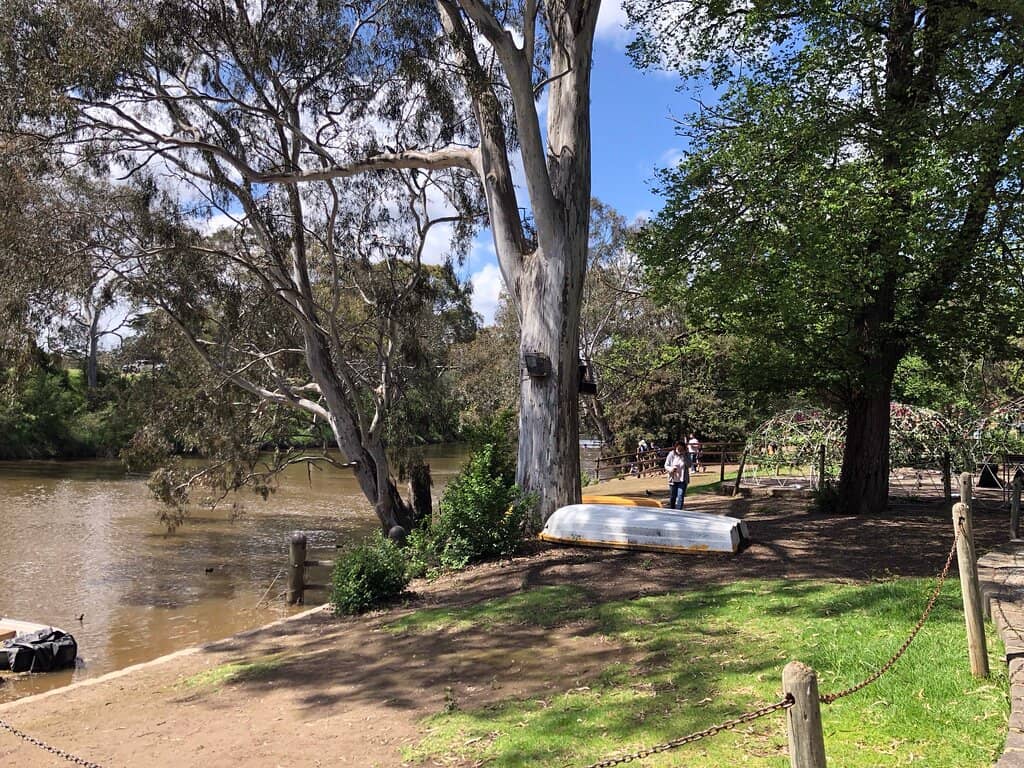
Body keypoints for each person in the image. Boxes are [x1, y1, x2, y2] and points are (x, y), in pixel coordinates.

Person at [664, 441, 691, 510]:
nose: (680, 451)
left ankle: (679, 511)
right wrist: (671, 469)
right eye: (678, 449)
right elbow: (666, 465)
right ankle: (672, 510)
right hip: (673, 479)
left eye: (681, 449)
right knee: (673, 496)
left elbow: (689, 465)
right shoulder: (671, 454)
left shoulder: (686, 455)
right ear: (675, 448)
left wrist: (684, 456)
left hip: (682, 479)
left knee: (680, 496)